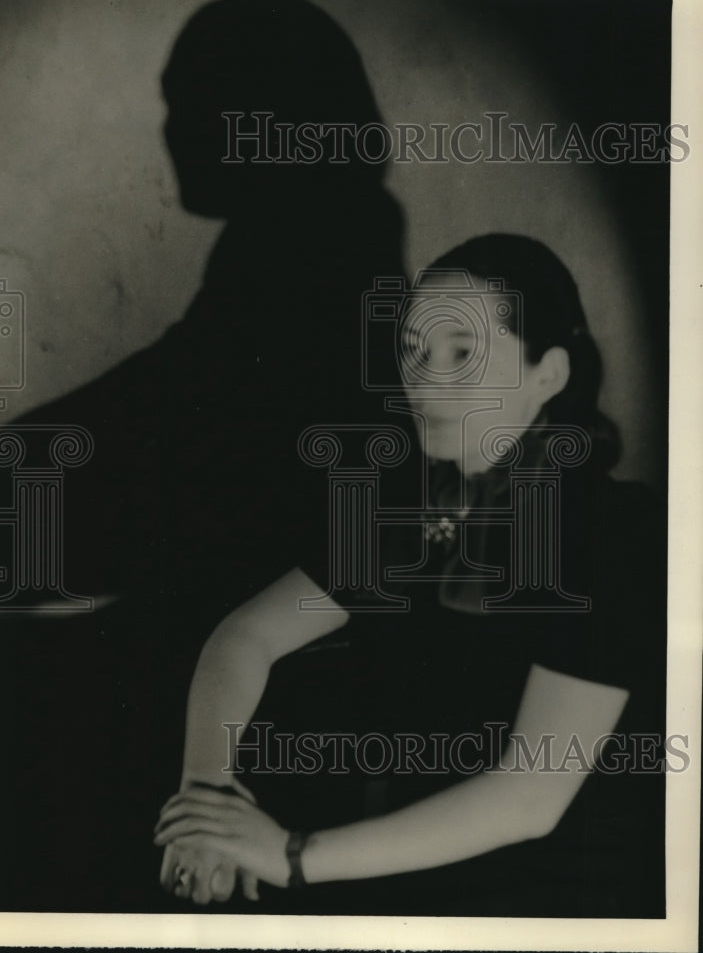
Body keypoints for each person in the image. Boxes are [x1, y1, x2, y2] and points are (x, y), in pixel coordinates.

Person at [0, 0, 405, 911]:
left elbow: (203, 424)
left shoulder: (324, 239)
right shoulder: (296, 233)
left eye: (187, 107)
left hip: (265, 637)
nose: (170, 133)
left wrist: (12, 472)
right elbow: (177, 386)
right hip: (235, 610)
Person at [153, 234, 666, 917]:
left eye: (463, 354)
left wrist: (289, 856)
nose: (425, 379)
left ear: (548, 374)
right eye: (413, 350)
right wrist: (207, 795)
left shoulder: (613, 532)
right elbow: (244, 637)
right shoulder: (411, 510)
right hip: (389, 872)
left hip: (548, 899)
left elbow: (530, 797)